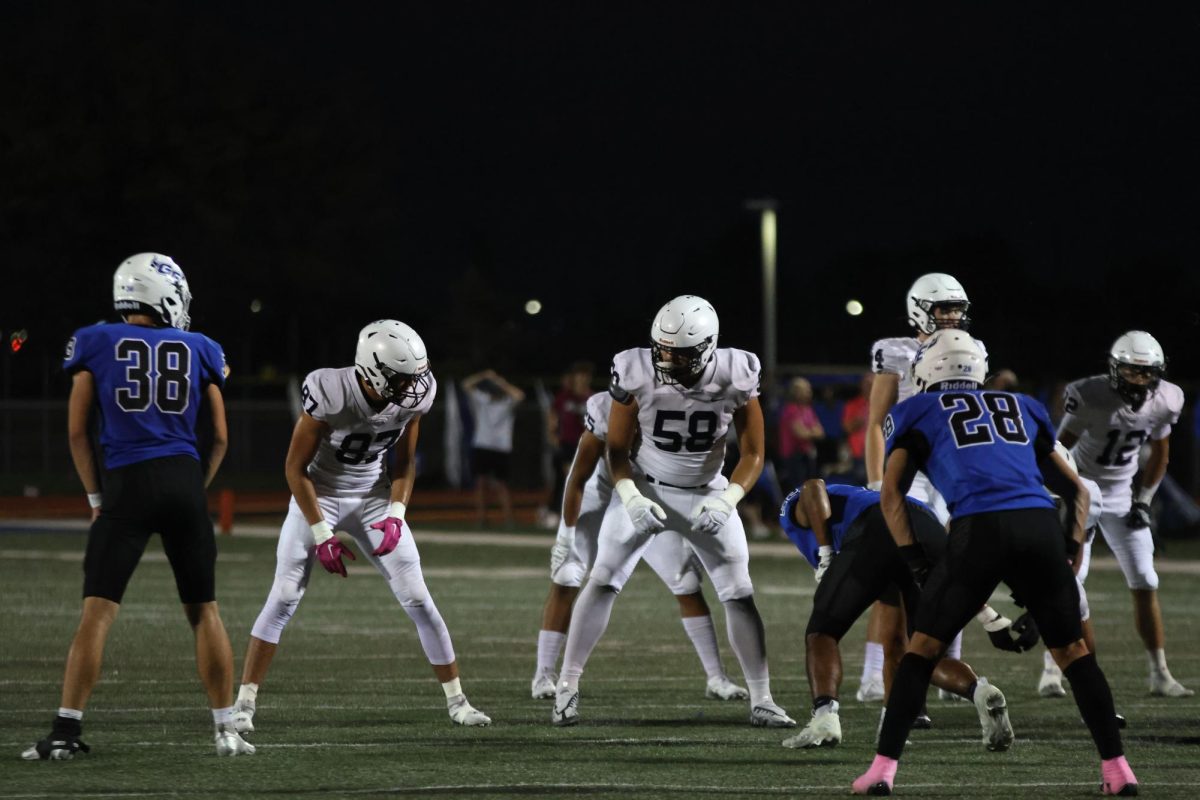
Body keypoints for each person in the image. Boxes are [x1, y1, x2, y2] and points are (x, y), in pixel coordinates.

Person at [853, 330, 1136, 796]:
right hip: (1039, 526)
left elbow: (891, 495)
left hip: (978, 529)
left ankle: (881, 771)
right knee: (1074, 655)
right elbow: (1079, 491)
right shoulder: (1022, 405)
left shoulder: (913, 410)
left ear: (926, 369)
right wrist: (1068, 551)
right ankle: (1118, 771)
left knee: (920, 652)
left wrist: (916, 563)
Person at [22, 253, 253, 760]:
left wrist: (97, 498)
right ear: (167, 295)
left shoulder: (95, 341)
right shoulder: (202, 348)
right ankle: (225, 730)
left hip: (125, 484)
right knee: (204, 611)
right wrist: (193, 484)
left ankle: (65, 731)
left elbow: (78, 431)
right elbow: (218, 437)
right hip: (182, 479)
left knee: (98, 613)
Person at [231, 320, 490, 735]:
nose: (414, 388)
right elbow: (294, 470)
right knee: (283, 596)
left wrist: (396, 513)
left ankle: (458, 701)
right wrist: (321, 533)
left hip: (373, 495)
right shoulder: (331, 392)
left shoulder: (412, 399)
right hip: (320, 493)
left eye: (415, 377)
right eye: (403, 379)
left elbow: (405, 464)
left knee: (418, 598)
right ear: (372, 371)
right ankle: (243, 704)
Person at [552, 295, 794, 728]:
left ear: (708, 347)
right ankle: (566, 688)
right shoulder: (635, 369)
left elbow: (755, 452)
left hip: (707, 492)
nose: (666, 360)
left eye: (678, 354)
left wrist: (728, 500)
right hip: (647, 487)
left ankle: (762, 698)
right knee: (603, 577)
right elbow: (616, 449)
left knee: (738, 591)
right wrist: (629, 496)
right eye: (661, 349)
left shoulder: (736, 372)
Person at [778, 479, 1028, 751]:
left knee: (822, 632)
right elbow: (895, 641)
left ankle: (824, 719)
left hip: (879, 526)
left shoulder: (792, 510)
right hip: (926, 526)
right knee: (920, 650)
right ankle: (980, 692)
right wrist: (987, 614)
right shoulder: (858, 501)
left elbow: (812, 487)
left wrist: (826, 554)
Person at [530, 391, 747, 702]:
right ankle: (544, 674)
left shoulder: (672, 404)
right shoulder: (608, 409)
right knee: (568, 574)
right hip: (600, 492)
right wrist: (565, 535)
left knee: (684, 579)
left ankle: (717, 677)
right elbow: (578, 477)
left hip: (644, 497)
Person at [857, 273, 985, 704]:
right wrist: (878, 481)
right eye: (942, 308)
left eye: (956, 308)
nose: (951, 316)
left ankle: (951, 660)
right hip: (907, 470)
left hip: (951, 473)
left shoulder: (972, 350)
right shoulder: (896, 352)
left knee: (960, 566)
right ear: (919, 309)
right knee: (897, 573)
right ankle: (874, 672)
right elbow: (876, 421)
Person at [1056, 331, 1191, 698]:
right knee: (1070, 585)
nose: (1140, 380)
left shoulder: (1167, 398)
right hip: (1082, 490)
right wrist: (1065, 495)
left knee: (1146, 579)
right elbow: (1057, 448)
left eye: (1147, 373)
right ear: (1116, 369)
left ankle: (1160, 672)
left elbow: (1160, 455)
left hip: (1121, 497)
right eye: (1132, 372)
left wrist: (1144, 501)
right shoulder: (1089, 394)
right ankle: (1053, 670)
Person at [463, 368, 525, 527]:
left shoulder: (507, 402)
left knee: (502, 485)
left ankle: (508, 518)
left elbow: (520, 395)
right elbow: (466, 384)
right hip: (482, 445)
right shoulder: (482, 400)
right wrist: (483, 375)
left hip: (501, 447)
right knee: (481, 483)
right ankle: (482, 518)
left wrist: (499, 381)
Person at [546, 361, 594, 525]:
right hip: (567, 444)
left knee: (584, 480)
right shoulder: (564, 397)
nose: (581, 380)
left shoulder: (592, 398)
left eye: (585, 377)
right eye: (579, 376)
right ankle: (555, 512)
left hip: (585, 446)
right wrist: (552, 435)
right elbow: (552, 415)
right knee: (564, 479)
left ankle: (579, 513)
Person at [778, 377, 824, 488]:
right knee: (798, 488)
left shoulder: (808, 410)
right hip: (793, 457)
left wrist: (809, 431)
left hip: (806, 456)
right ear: (796, 392)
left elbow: (821, 432)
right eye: (805, 390)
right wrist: (811, 431)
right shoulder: (791, 410)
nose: (809, 392)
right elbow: (801, 434)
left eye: (809, 389)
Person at [841, 373, 874, 485]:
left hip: (879, 454)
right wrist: (862, 418)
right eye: (867, 384)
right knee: (860, 486)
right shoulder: (853, 404)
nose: (870, 386)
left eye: (872, 383)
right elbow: (847, 428)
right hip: (859, 454)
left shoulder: (883, 404)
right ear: (861, 386)